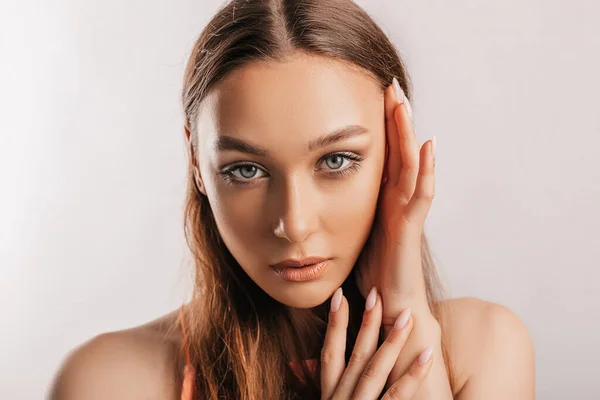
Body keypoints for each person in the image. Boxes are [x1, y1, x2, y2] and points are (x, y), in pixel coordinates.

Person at [49, 0, 535, 399]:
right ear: (196, 162)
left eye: (337, 160)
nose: (294, 225)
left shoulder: (483, 351)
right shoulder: (109, 383)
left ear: (395, 150)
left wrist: (406, 324)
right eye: (246, 169)